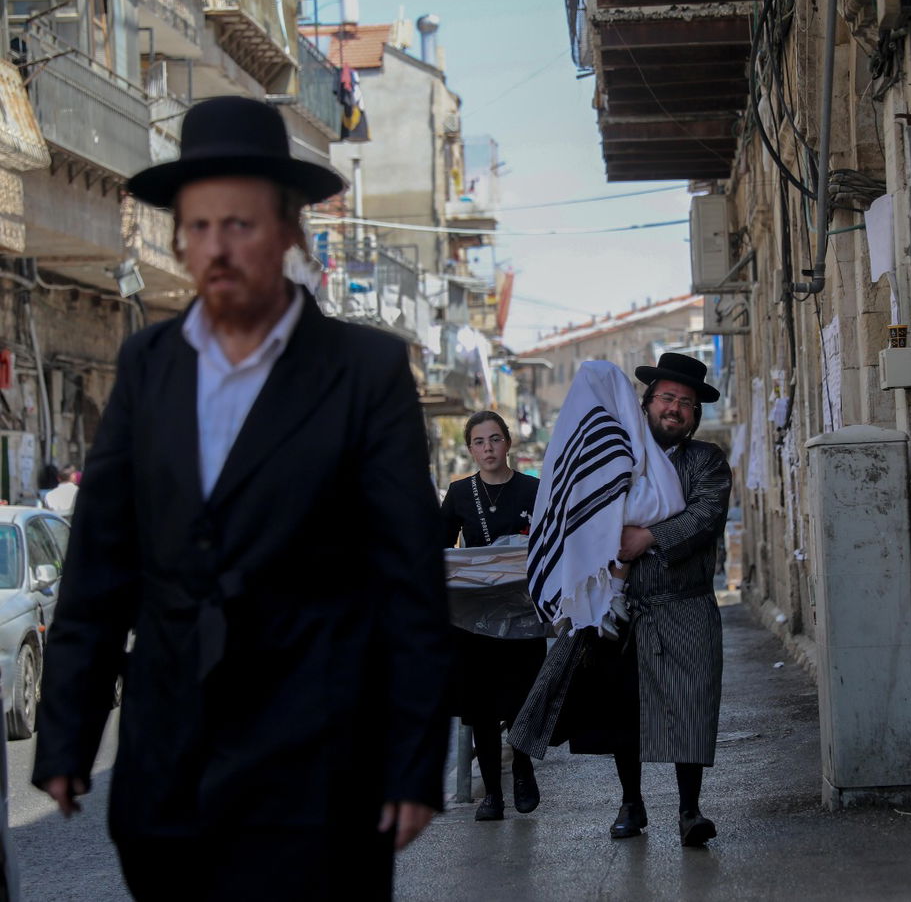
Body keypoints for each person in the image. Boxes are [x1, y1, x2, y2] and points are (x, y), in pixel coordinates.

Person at [30, 95, 452, 902]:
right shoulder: (149, 365)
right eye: (198, 227)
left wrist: (410, 761)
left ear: (291, 232)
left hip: (320, 774)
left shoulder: (364, 372)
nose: (215, 249)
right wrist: (67, 736)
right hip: (168, 776)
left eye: (241, 226)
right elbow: (100, 564)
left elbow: (409, 584)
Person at [512, 352, 731, 848]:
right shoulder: (616, 455)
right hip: (621, 610)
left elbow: (705, 516)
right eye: (668, 399)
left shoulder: (707, 461)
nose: (675, 409)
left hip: (685, 605)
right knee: (621, 714)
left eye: (686, 403)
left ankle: (689, 811)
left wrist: (646, 538)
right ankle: (631, 804)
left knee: (689, 708)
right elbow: (581, 508)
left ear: (696, 415)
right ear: (647, 403)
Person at [440, 410, 546, 822]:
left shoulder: (533, 489)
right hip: (476, 619)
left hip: (522, 615)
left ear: (508, 443)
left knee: (522, 699)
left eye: (495, 439)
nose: (488, 449)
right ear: (470, 449)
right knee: (481, 704)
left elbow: (551, 542)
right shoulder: (460, 493)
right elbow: (439, 547)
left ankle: (522, 769)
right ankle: (492, 795)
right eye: (480, 442)